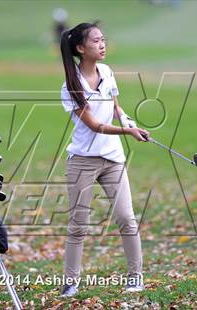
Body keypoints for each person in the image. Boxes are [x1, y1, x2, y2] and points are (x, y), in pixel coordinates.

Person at [59, 21, 150, 297]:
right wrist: (127, 131)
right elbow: (95, 125)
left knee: (126, 218)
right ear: (80, 48)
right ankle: (70, 282)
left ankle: (136, 277)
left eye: (103, 40)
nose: (102, 44)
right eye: (96, 41)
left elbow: (115, 105)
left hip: (112, 160)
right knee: (78, 226)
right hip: (82, 161)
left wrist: (128, 120)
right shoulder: (70, 85)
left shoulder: (107, 71)